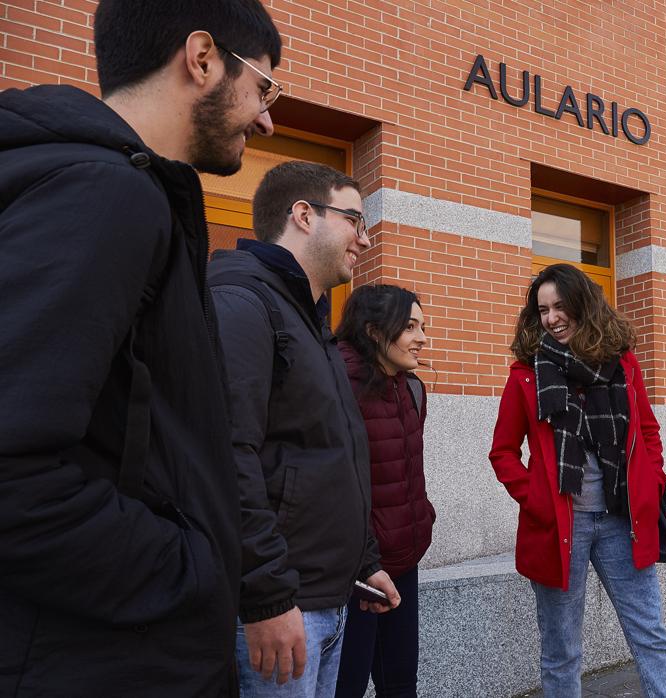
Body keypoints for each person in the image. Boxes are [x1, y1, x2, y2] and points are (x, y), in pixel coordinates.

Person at [0, 1, 282, 693]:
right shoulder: (105, 195)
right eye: (264, 87)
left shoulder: (126, 192)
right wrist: (186, 573)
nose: (268, 118)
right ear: (202, 57)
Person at [210, 161, 400, 696]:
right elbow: (229, 458)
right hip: (277, 614)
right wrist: (267, 597)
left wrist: (363, 562)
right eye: (355, 221)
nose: (364, 240)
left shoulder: (308, 316)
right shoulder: (243, 301)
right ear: (302, 215)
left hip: (325, 600)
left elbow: (325, 454)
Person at [489, 263, 666, 697]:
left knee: (650, 635)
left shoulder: (623, 364)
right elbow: (503, 453)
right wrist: (537, 498)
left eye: (561, 306)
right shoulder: (527, 373)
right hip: (561, 526)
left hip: (622, 520)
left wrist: (652, 482)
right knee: (561, 649)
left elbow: (647, 430)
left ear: (584, 305)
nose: (552, 318)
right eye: (542, 310)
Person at [334, 285, 436, 698]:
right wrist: (364, 558)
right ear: (375, 331)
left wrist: (423, 519)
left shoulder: (411, 388)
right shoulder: (338, 384)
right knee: (347, 687)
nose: (423, 338)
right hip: (353, 572)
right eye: (410, 326)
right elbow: (332, 487)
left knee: (400, 686)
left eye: (423, 326)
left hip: (403, 561)